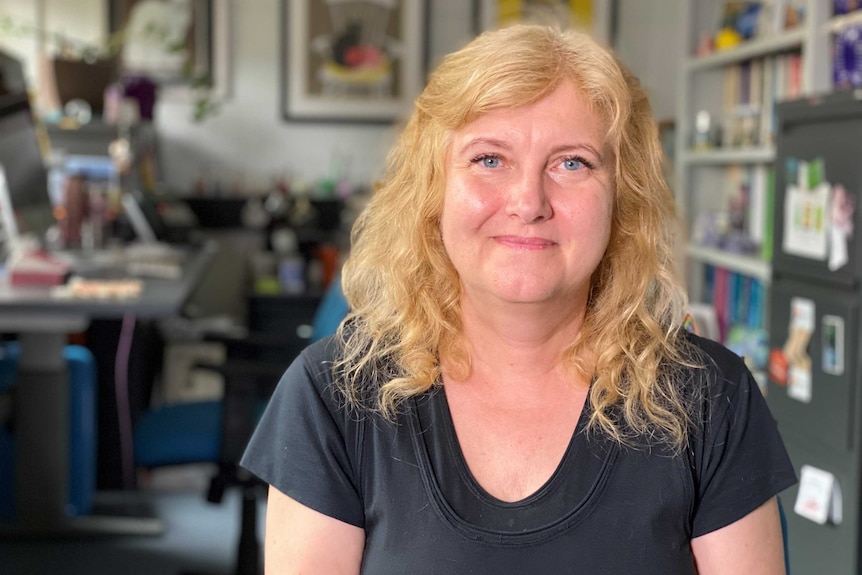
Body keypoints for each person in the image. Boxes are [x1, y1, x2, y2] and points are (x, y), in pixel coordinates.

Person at [241, 24, 796, 574]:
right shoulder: (333, 398)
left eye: (572, 163)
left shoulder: (710, 399)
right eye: (489, 159)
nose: (529, 201)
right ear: (432, 189)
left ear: (621, 200)